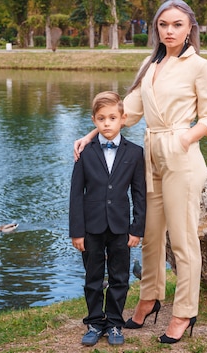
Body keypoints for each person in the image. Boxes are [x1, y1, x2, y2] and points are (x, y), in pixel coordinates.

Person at [74, 0, 207, 344]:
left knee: (182, 242)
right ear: (156, 28)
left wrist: (184, 139)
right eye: (163, 24)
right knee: (150, 236)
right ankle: (149, 298)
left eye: (177, 25)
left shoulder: (200, 65)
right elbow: (127, 113)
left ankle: (184, 311)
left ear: (190, 29)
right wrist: (92, 133)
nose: (169, 31)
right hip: (148, 155)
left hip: (180, 156)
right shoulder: (150, 65)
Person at [69, 91, 146, 347]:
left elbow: (139, 193)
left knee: (120, 278)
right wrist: (76, 232)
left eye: (112, 118)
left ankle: (114, 323)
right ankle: (94, 321)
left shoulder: (135, 153)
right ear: (94, 121)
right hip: (91, 227)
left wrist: (137, 229)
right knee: (92, 278)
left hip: (121, 227)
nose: (107, 123)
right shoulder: (84, 152)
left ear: (122, 119)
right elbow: (76, 195)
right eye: (101, 118)